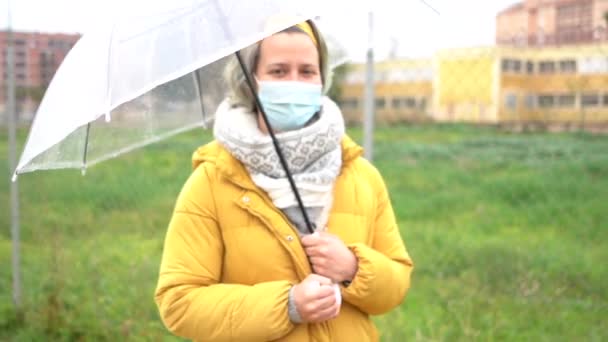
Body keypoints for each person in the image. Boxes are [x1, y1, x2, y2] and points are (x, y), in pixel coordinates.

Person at [154, 19, 413, 341]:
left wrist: (352, 268)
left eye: (307, 71)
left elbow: (397, 284)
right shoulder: (211, 181)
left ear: (322, 78)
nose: (295, 82)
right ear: (250, 82)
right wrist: (287, 305)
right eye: (278, 71)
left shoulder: (362, 176)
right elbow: (179, 302)